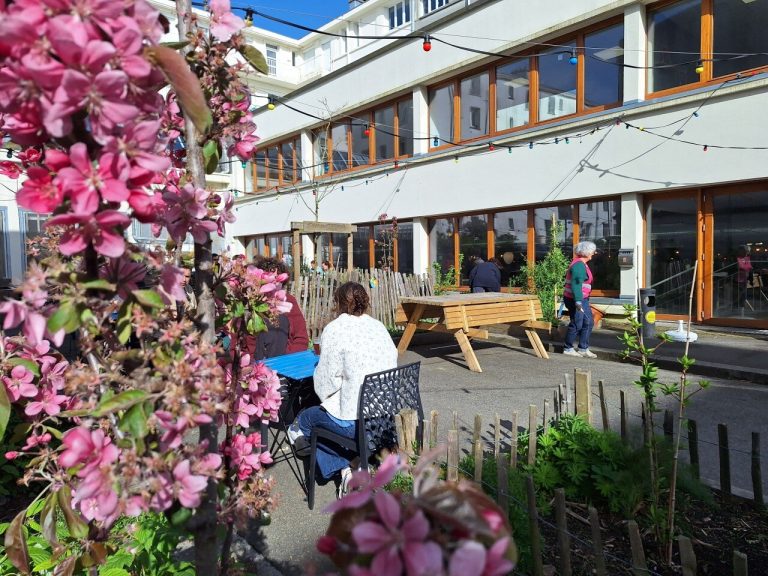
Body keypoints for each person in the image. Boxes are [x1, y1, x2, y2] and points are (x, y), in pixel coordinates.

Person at [295, 282, 397, 497]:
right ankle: (355, 462)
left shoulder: (335, 329)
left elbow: (325, 384)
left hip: (357, 424)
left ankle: (347, 468)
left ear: (337, 303)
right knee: (328, 416)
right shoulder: (379, 327)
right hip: (385, 421)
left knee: (307, 419)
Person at [248, 256, 309, 360]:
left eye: (278, 277)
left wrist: (288, 359)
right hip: (255, 365)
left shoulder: (288, 300)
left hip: (285, 363)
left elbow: (301, 337)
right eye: (270, 276)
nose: (275, 281)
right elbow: (241, 341)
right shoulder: (249, 301)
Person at [562, 241, 597, 358]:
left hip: (583, 299)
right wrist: (577, 301)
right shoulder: (578, 265)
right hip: (575, 299)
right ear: (586, 253)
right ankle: (568, 348)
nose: (593, 253)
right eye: (592, 251)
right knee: (577, 323)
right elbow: (576, 284)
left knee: (588, 322)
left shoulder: (582, 263)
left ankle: (583, 348)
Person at [735, 245, 753, 311]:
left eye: (748, 251)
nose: (747, 253)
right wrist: (746, 268)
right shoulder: (737, 258)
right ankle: (737, 309)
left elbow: (749, 267)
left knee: (743, 295)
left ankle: (741, 310)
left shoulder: (747, 258)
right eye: (746, 251)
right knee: (739, 295)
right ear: (740, 251)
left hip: (744, 279)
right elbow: (741, 267)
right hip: (737, 280)